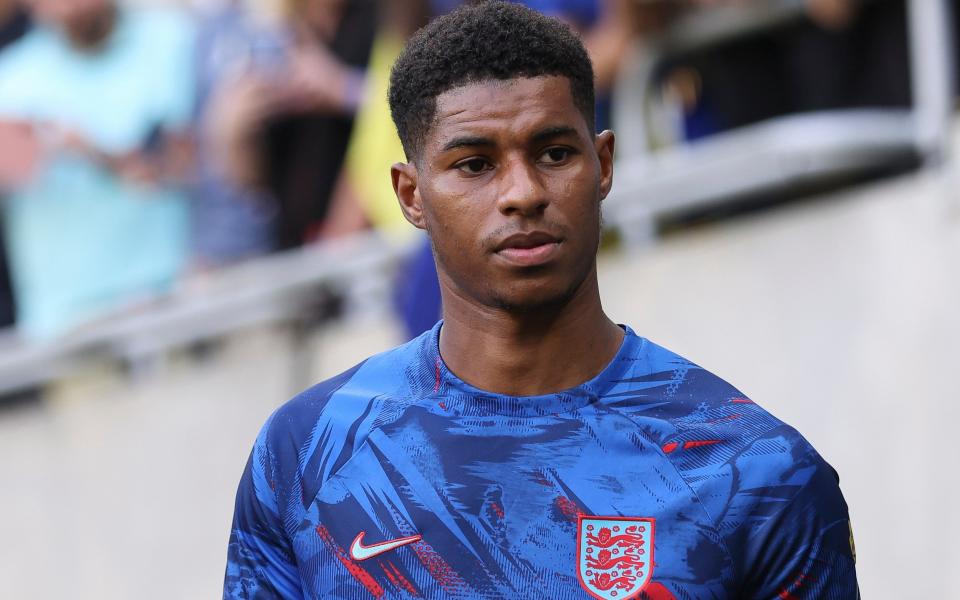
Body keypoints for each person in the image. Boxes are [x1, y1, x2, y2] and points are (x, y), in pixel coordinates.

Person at [223, 3, 859, 598]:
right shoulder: (306, 453)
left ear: (603, 164)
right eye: (474, 164)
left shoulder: (756, 474)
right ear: (411, 195)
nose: (523, 192)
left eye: (555, 153)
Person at [0, 0, 194, 337]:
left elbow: (191, 168)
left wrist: (89, 151)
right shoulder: (11, 80)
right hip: (66, 324)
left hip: (175, 301)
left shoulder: (172, 39)